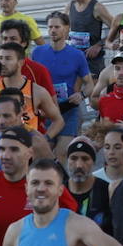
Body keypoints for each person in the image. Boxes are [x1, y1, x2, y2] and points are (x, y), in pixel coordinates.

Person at [33, 11, 93, 154]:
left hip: (68, 109)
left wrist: (82, 95)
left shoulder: (77, 55)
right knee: (43, 154)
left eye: (57, 27)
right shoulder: (38, 52)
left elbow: (90, 83)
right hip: (45, 110)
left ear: (66, 28)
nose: (53, 30)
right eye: (50, 27)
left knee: (63, 152)